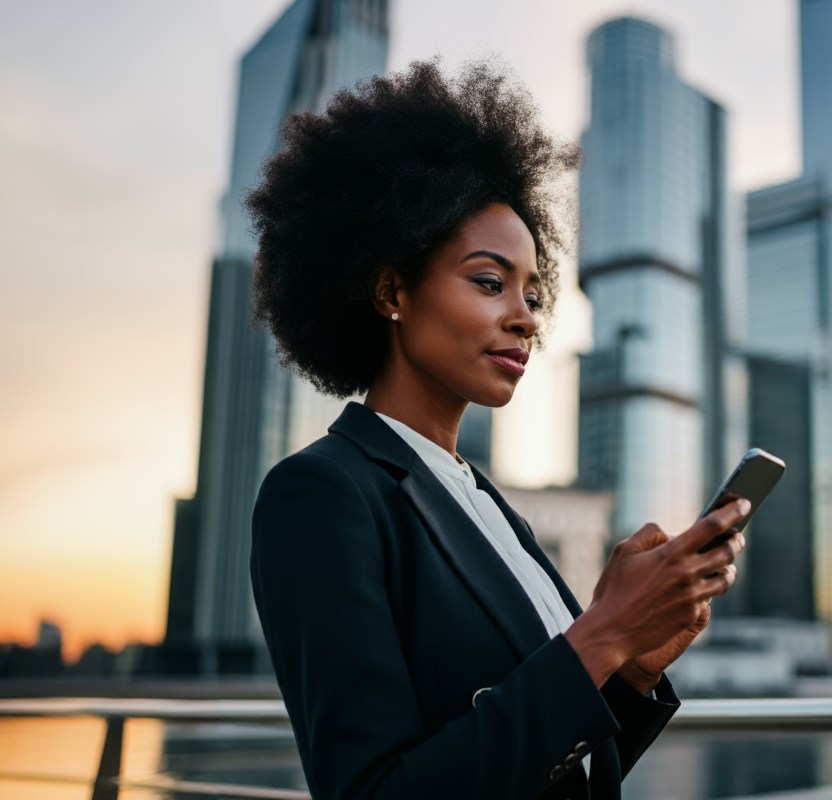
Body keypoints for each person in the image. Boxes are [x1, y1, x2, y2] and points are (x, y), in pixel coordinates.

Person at [247, 59, 748, 800]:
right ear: (391, 290)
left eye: (534, 292)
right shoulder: (321, 494)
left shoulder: (485, 504)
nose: (525, 315)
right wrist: (603, 631)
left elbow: (550, 771)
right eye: (489, 281)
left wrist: (633, 666)